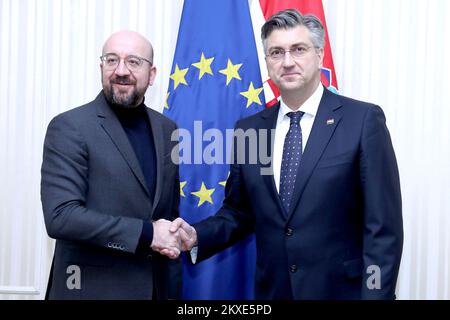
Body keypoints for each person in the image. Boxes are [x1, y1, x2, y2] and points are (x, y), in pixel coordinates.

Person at [167, 9, 403, 300]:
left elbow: (382, 231)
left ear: (319, 54)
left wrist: (376, 296)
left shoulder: (362, 121)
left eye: (298, 50)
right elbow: (239, 213)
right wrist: (196, 236)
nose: (288, 62)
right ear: (267, 63)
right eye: (276, 52)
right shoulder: (250, 130)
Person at [41, 30, 182, 299]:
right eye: (111, 60)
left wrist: (176, 233)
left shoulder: (168, 130)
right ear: (101, 67)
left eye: (133, 61)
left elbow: (167, 212)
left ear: (151, 74)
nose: (121, 70)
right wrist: (147, 233)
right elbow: (61, 217)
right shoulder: (70, 127)